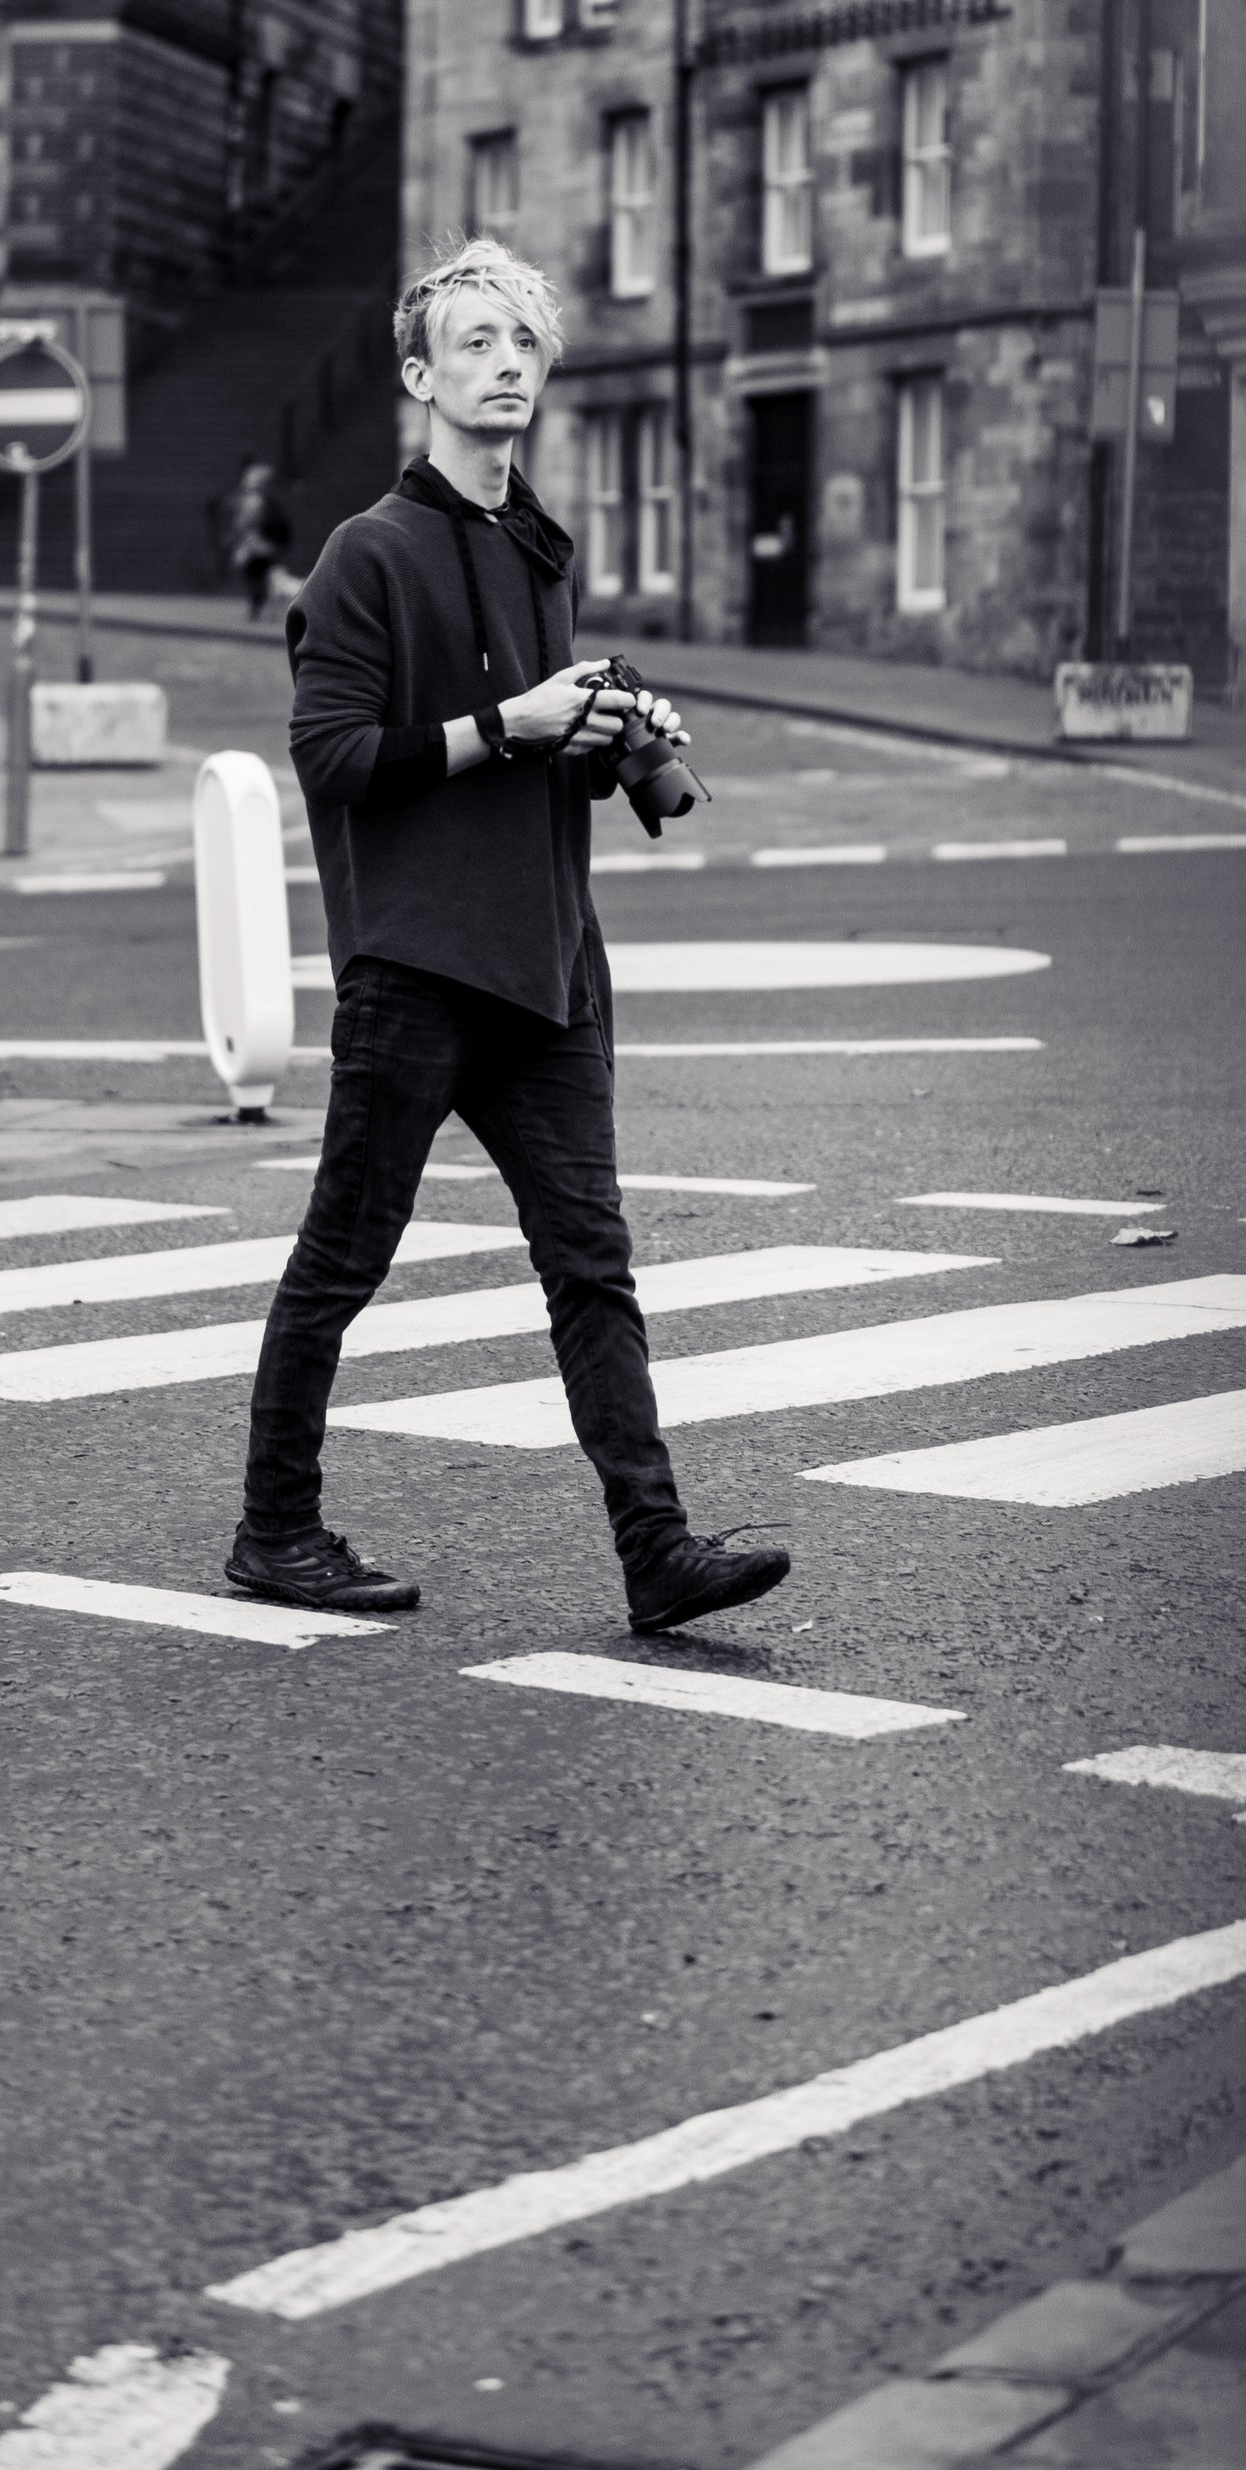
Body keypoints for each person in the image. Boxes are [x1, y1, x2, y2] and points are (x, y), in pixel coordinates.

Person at [226, 237, 792, 1638]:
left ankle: (655, 1549)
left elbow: (548, 763)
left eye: (526, 344)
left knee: (592, 1263)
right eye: (478, 342)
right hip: (418, 966)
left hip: (546, 971)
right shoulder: (367, 553)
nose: (508, 364)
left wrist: (607, 736)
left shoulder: (538, 545)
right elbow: (337, 757)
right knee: (343, 1256)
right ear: (421, 373)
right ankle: (274, 1529)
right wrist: (511, 723)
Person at [226, 459, 292, 620]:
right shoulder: (266, 500)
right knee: (261, 575)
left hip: (258, 544)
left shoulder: (256, 500)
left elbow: (244, 522)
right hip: (261, 544)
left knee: (258, 575)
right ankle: (262, 607)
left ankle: (260, 607)